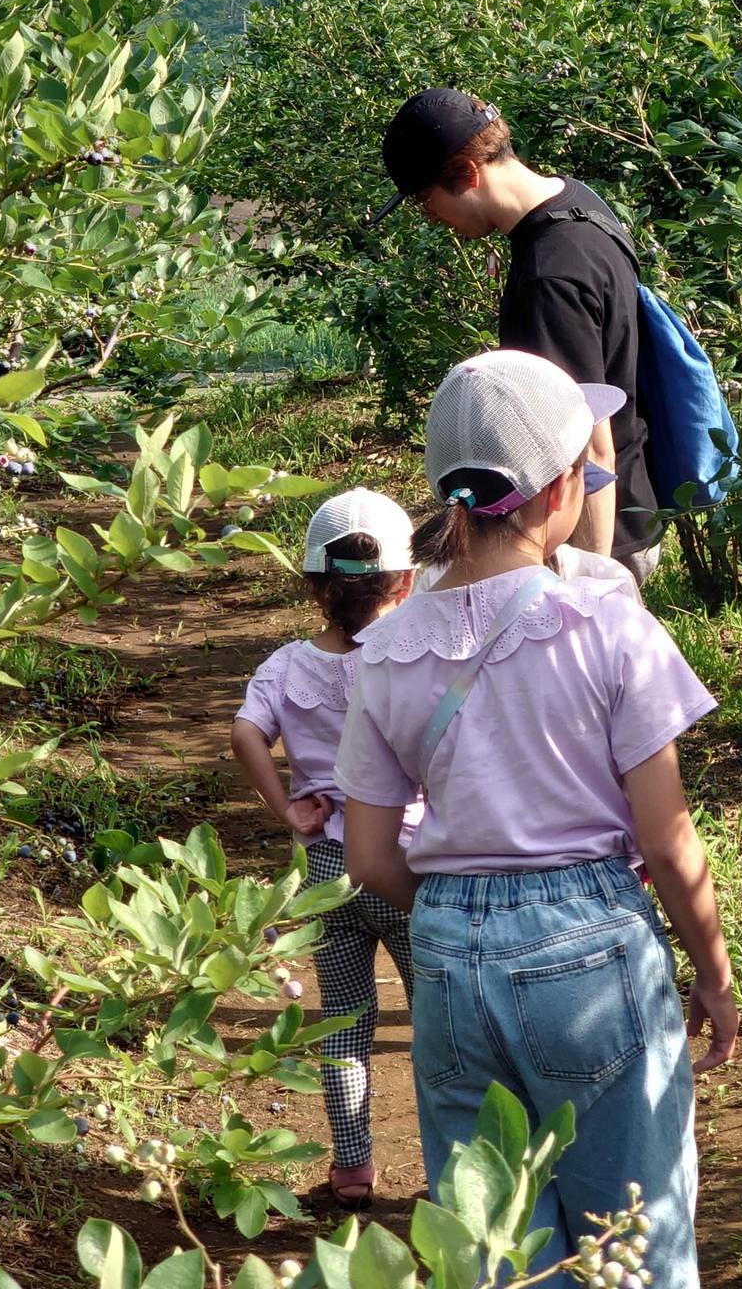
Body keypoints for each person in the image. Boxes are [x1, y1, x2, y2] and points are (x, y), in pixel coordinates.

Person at [335, 348, 736, 1286]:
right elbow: (669, 844)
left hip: (444, 955)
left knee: (495, 1248)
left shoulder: (385, 650)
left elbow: (365, 855)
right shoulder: (605, 625)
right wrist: (712, 975)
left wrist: (451, 911)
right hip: (589, 946)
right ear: (560, 491)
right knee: (630, 1242)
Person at [372, 88, 661, 587]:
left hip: (591, 540)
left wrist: (589, 585)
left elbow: (590, 448)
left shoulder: (549, 277)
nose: (431, 217)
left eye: (426, 200)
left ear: (466, 174)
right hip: (625, 512)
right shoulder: (579, 205)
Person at [230, 488, 421, 1208]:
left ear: (314, 584)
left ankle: (350, 1169)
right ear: (405, 582)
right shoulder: (410, 656)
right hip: (404, 858)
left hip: (330, 868)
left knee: (343, 1015)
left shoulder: (286, 665)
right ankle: (452, 1160)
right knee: (435, 1017)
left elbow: (245, 733)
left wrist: (286, 807)